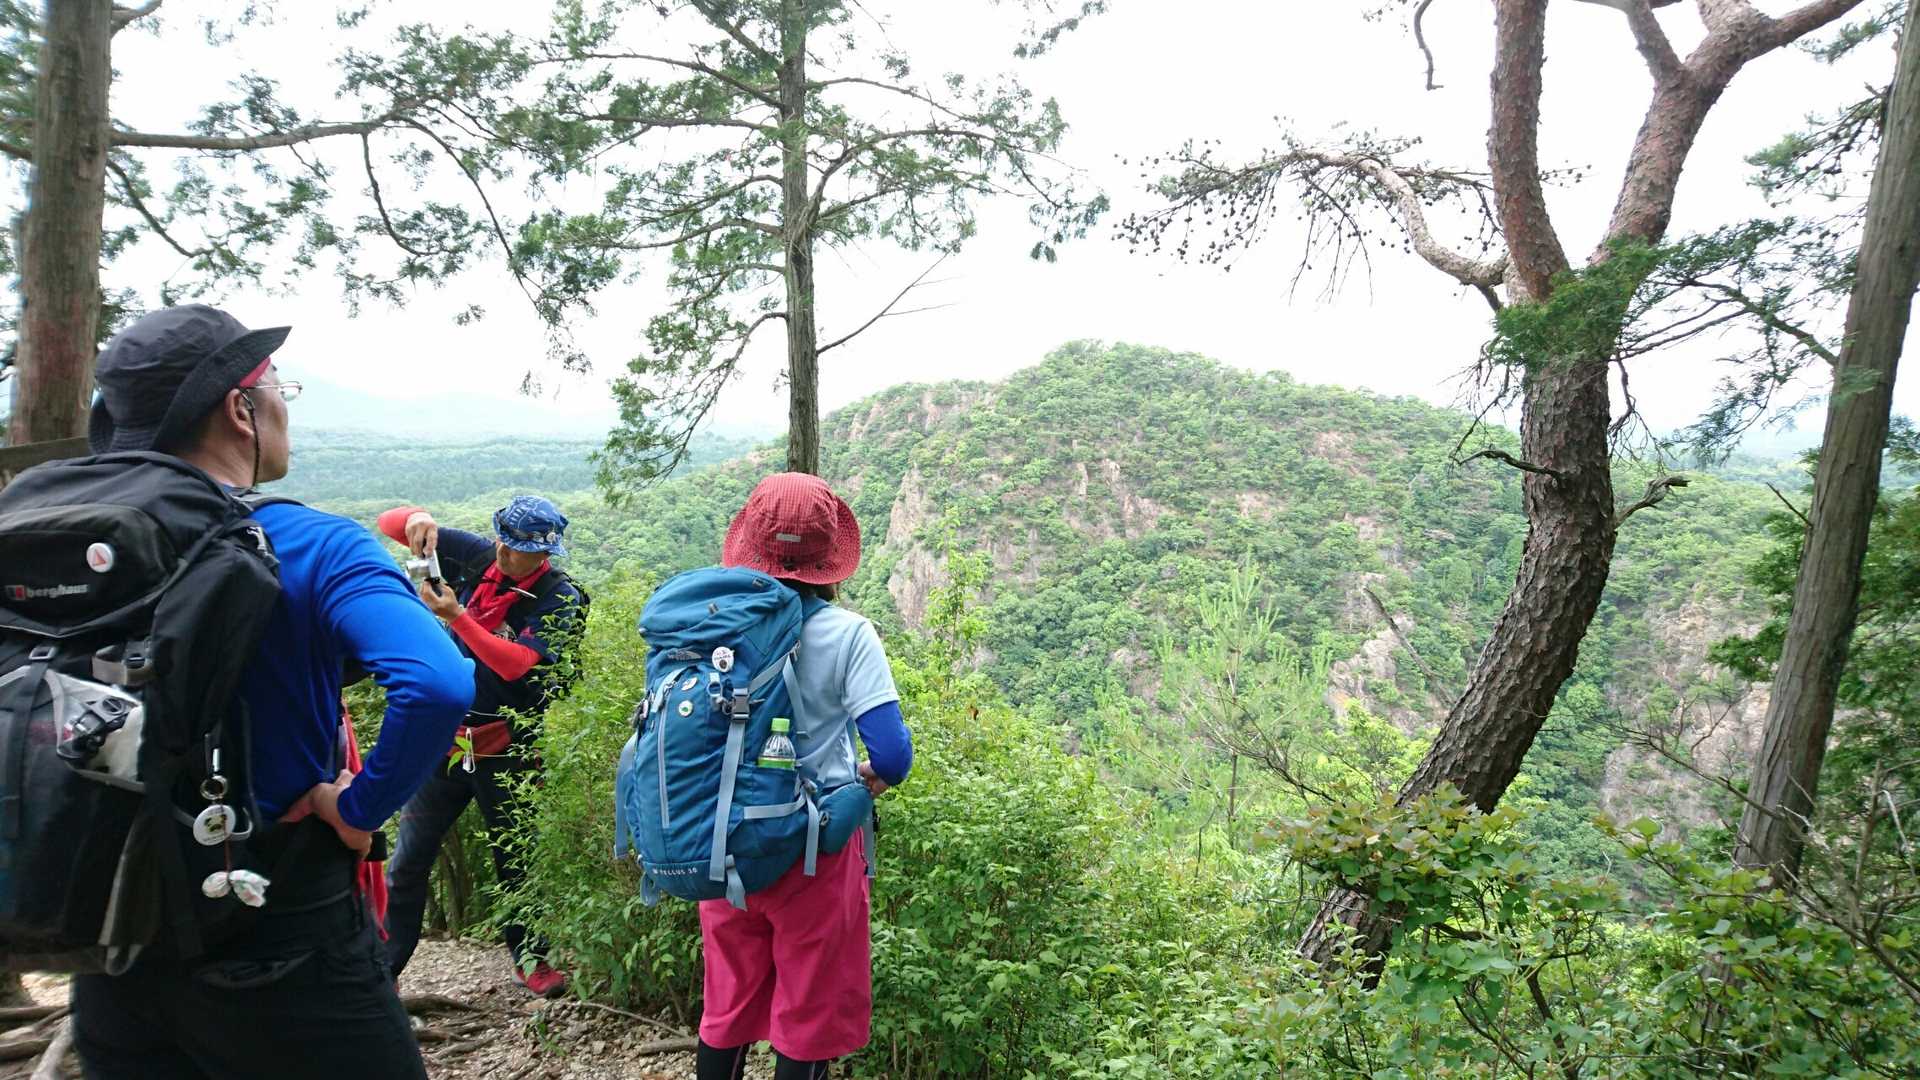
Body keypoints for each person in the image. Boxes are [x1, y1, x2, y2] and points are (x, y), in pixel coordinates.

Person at [68, 304, 476, 1080]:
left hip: (104, 931)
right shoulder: (309, 542)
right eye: (278, 387)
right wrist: (358, 810)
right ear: (240, 409)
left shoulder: (61, 541)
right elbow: (436, 683)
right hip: (277, 926)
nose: (285, 405)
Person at [694, 473, 914, 1080]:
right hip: (813, 850)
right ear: (828, 559)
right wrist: (866, 779)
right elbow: (892, 755)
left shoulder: (708, 627)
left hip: (723, 846)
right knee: (808, 1016)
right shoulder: (848, 634)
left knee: (727, 1009)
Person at [374, 495, 588, 997]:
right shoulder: (477, 557)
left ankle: (529, 959)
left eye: (518, 551)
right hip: (445, 741)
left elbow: (517, 665)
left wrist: (457, 617)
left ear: (544, 554)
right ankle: (384, 969)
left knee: (517, 860)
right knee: (409, 859)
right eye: (502, 543)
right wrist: (418, 519)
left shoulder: (560, 598)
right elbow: (390, 523)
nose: (505, 555)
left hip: (510, 747)